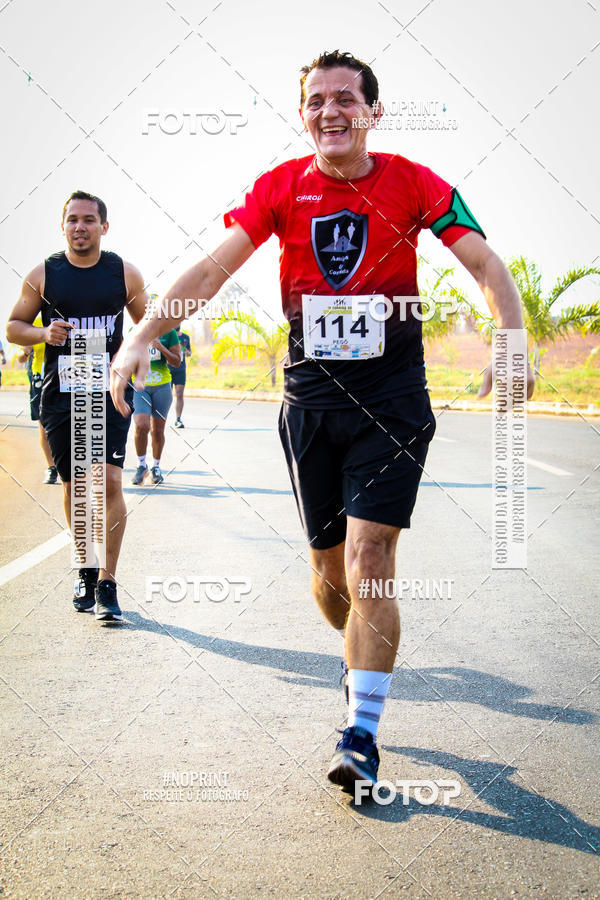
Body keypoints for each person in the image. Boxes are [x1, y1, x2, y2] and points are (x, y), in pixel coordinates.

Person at [110, 51, 535, 791]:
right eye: (316, 101)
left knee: (374, 562)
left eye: (347, 98)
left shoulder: (415, 181)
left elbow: (485, 265)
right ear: (303, 115)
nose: (331, 110)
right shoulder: (281, 188)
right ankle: (356, 664)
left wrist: (511, 334)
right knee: (332, 584)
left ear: (372, 112)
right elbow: (211, 271)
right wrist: (142, 337)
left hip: (395, 401)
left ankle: (361, 732)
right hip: (311, 404)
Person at [7, 190, 148, 622]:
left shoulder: (123, 273)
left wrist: (135, 356)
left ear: (104, 226)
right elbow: (13, 327)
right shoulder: (43, 274)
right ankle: (85, 565)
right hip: (62, 396)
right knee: (76, 487)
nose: (80, 227)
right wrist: (43, 334)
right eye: (72, 220)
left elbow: (146, 324)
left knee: (107, 482)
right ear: (62, 225)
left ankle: (107, 582)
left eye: (89, 219)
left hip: (110, 393)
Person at [131, 317, 181, 485]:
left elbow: (177, 361)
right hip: (140, 386)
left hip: (162, 387)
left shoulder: (170, 333)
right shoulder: (135, 332)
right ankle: (141, 465)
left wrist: (161, 348)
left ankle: (156, 467)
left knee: (157, 431)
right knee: (141, 424)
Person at [17, 316, 58, 483]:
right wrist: (25, 351)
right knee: (44, 425)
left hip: (66, 377)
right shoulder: (34, 322)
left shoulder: (69, 314)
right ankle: (51, 468)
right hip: (40, 379)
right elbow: (20, 358)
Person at [168, 324, 191, 427]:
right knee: (166, 395)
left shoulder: (185, 337)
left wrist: (187, 352)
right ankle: (159, 418)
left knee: (179, 393)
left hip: (180, 369)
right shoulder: (167, 336)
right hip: (167, 369)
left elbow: (189, 352)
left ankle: (178, 419)